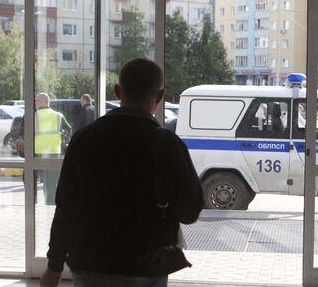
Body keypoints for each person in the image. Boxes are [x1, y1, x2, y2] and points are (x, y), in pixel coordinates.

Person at [40, 58, 203, 287]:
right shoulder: (167, 144)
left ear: (118, 92)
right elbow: (190, 211)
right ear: (160, 95)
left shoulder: (85, 138)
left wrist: (54, 267)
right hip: (145, 266)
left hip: (89, 263)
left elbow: (65, 207)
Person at [34, 92, 72, 206]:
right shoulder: (58, 116)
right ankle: (50, 204)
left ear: (42, 102)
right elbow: (69, 130)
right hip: (53, 152)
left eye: (36, 100)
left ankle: (33, 199)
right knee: (51, 183)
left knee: (31, 179)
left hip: (36, 153)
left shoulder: (33, 116)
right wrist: (63, 141)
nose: (35, 103)